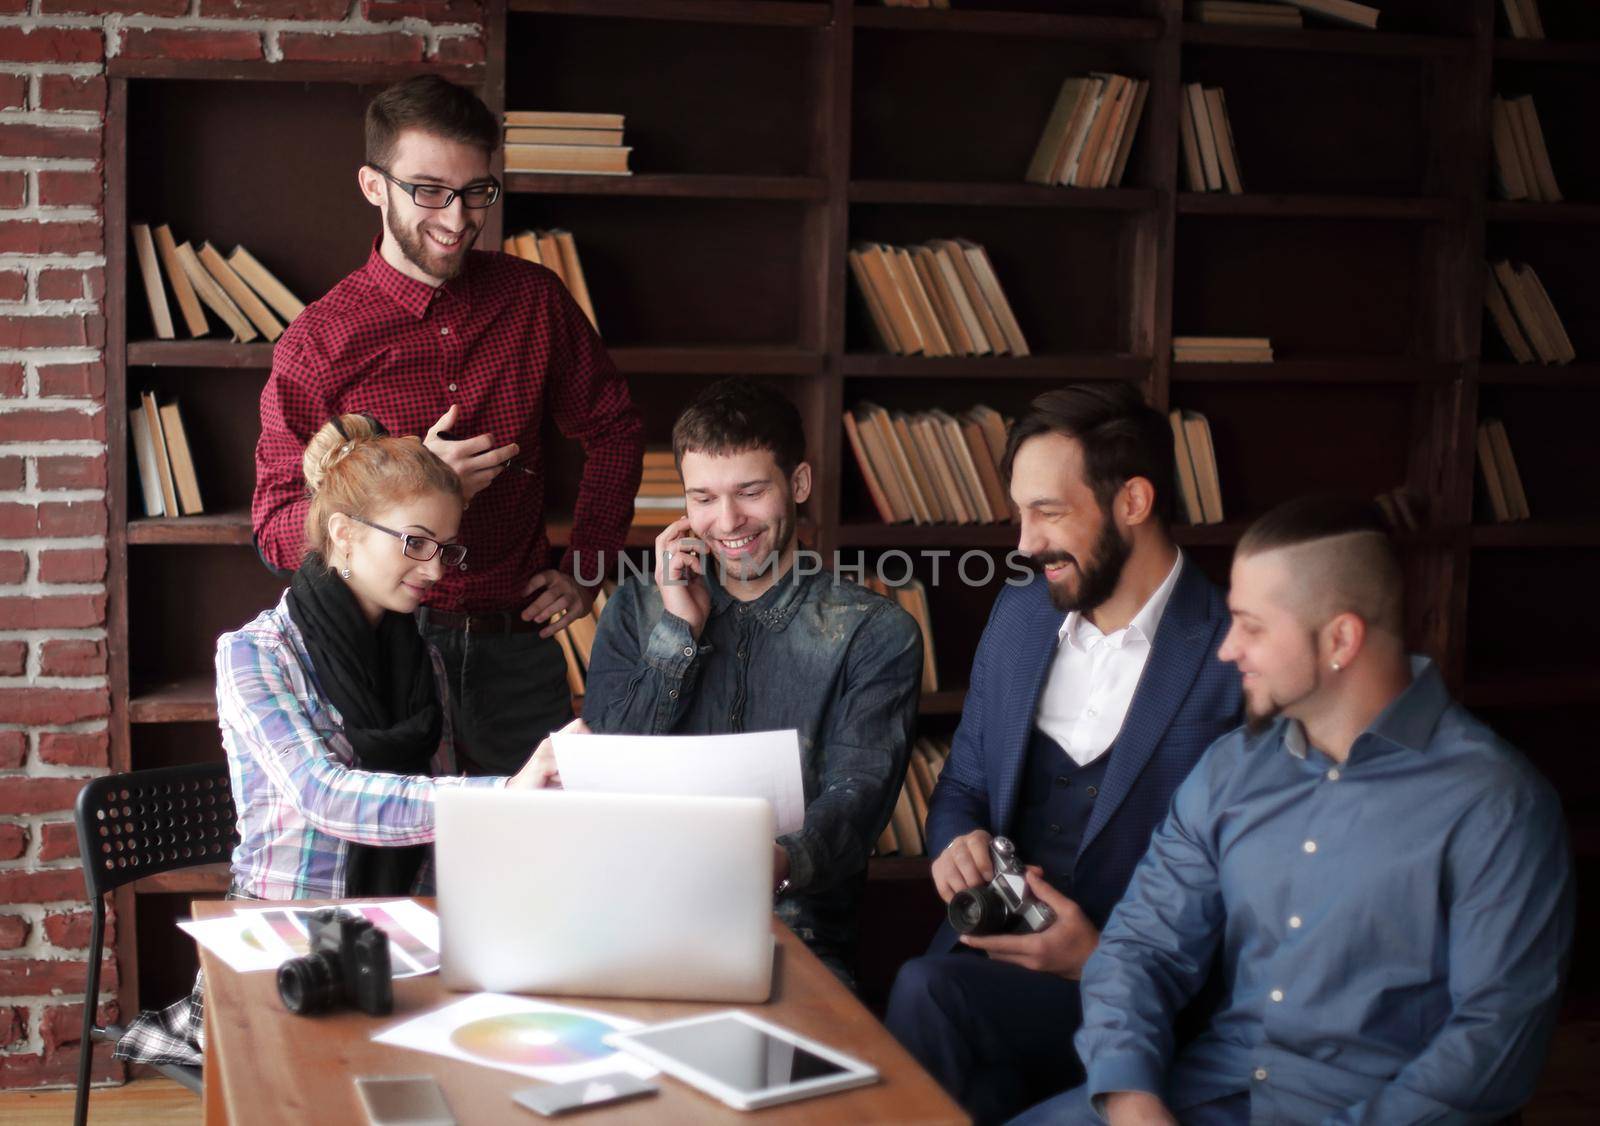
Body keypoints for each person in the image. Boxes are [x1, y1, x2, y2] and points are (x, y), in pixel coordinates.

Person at [1019, 496, 1574, 1126]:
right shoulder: (1230, 769)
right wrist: (1132, 1100)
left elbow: (1492, 1042)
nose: (1228, 651)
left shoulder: (1496, 804)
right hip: (1208, 1094)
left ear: (1340, 639)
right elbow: (1140, 948)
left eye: (1252, 626)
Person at [115, 415, 558, 1072]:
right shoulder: (254, 655)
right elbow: (326, 796)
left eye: (445, 547)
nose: (434, 570)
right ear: (344, 533)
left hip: (396, 932)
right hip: (281, 943)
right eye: (415, 542)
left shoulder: (421, 657)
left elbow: (429, 818)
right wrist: (502, 794)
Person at [252, 74, 643, 777]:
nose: (458, 218)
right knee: (397, 867)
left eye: (477, 192)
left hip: (516, 649)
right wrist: (408, 491)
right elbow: (276, 523)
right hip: (378, 655)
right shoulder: (318, 342)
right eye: (429, 190)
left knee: (539, 866)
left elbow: (614, 428)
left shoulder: (535, 300)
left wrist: (588, 567)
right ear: (375, 186)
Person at [885, 384, 1242, 1125]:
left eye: (1047, 512)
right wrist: (957, 843)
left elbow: (1249, 896)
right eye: (1020, 512)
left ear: (1133, 503)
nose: (1022, 542)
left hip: (1146, 992)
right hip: (991, 954)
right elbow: (962, 788)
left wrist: (1101, 957)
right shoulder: (1020, 614)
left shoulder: (1234, 652)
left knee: (928, 997)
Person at [581, 378, 922, 985]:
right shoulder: (637, 607)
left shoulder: (875, 631)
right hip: (635, 913)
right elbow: (605, 767)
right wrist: (676, 633)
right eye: (703, 498)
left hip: (794, 926)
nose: (727, 520)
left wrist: (775, 861)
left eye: (750, 491)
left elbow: (858, 800)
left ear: (798, 484)